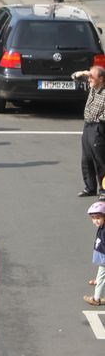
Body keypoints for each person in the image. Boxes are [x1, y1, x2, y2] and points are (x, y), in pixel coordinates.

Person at [72, 65, 105, 196]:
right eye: (89, 77)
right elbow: (74, 77)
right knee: (86, 159)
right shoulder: (91, 87)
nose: (89, 79)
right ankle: (90, 187)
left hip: (98, 127)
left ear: (101, 79)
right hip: (87, 126)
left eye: (92, 77)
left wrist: (99, 120)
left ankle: (104, 190)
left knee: (100, 160)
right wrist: (83, 72)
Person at [83, 200, 105, 307]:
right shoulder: (102, 227)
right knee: (101, 275)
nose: (95, 221)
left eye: (98, 218)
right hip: (102, 254)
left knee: (102, 276)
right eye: (93, 218)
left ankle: (96, 299)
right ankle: (98, 279)